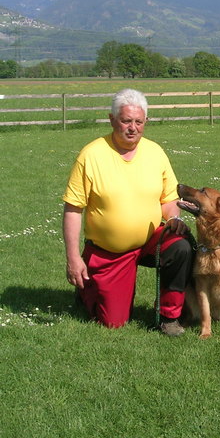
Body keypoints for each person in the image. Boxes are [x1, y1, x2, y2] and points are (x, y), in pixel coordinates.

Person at [62, 88, 193, 335]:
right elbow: (72, 209)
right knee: (113, 323)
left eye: (138, 122)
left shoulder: (155, 152)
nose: (132, 128)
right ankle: (86, 290)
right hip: (110, 252)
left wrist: (174, 217)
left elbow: (169, 198)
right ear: (112, 120)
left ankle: (169, 317)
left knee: (182, 246)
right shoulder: (91, 155)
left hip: (150, 240)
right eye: (126, 121)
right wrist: (72, 258)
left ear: (146, 122)